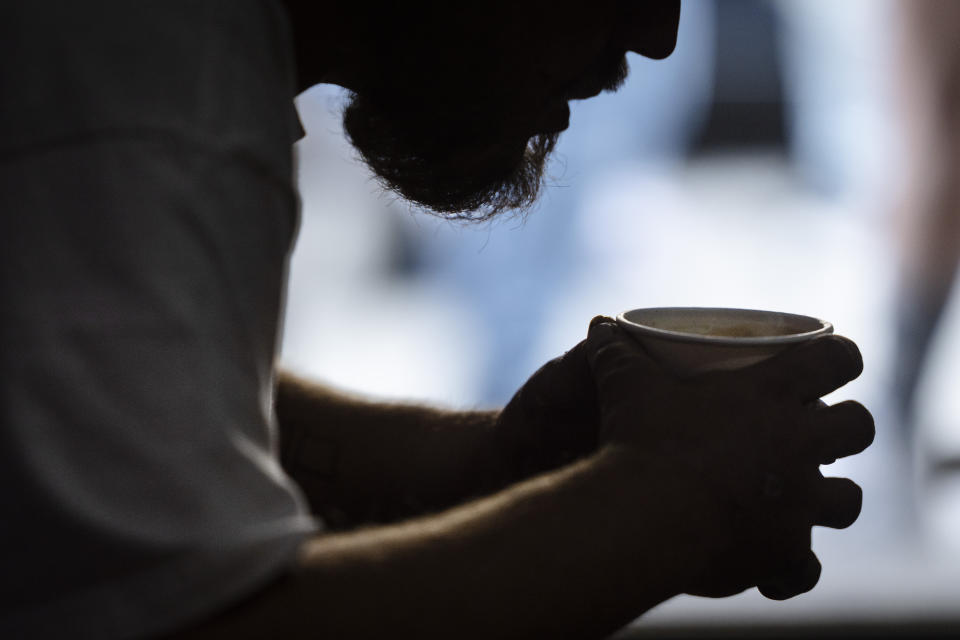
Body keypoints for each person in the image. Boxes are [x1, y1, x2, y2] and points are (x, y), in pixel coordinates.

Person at [0, 1, 873, 638]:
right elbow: (188, 624)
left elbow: (125, 396)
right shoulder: (145, 103)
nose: (659, 31)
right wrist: (673, 503)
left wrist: (479, 465)